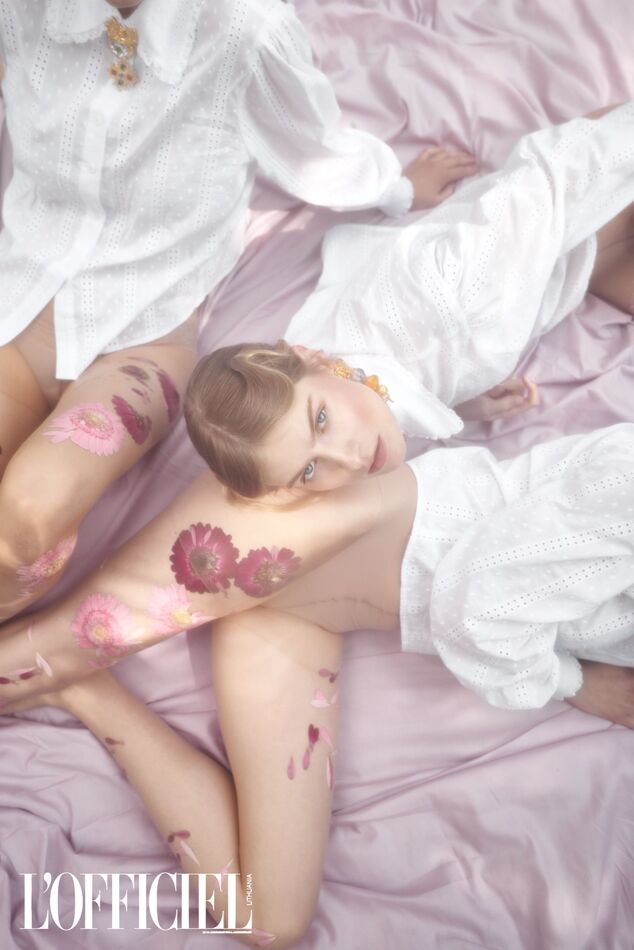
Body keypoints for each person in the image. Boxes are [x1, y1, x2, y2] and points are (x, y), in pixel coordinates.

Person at [0, 0, 475, 623]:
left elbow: (313, 149)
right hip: (18, 306)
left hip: (143, 338)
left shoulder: (243, 27)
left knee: (27, 517)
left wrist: (396, 187)